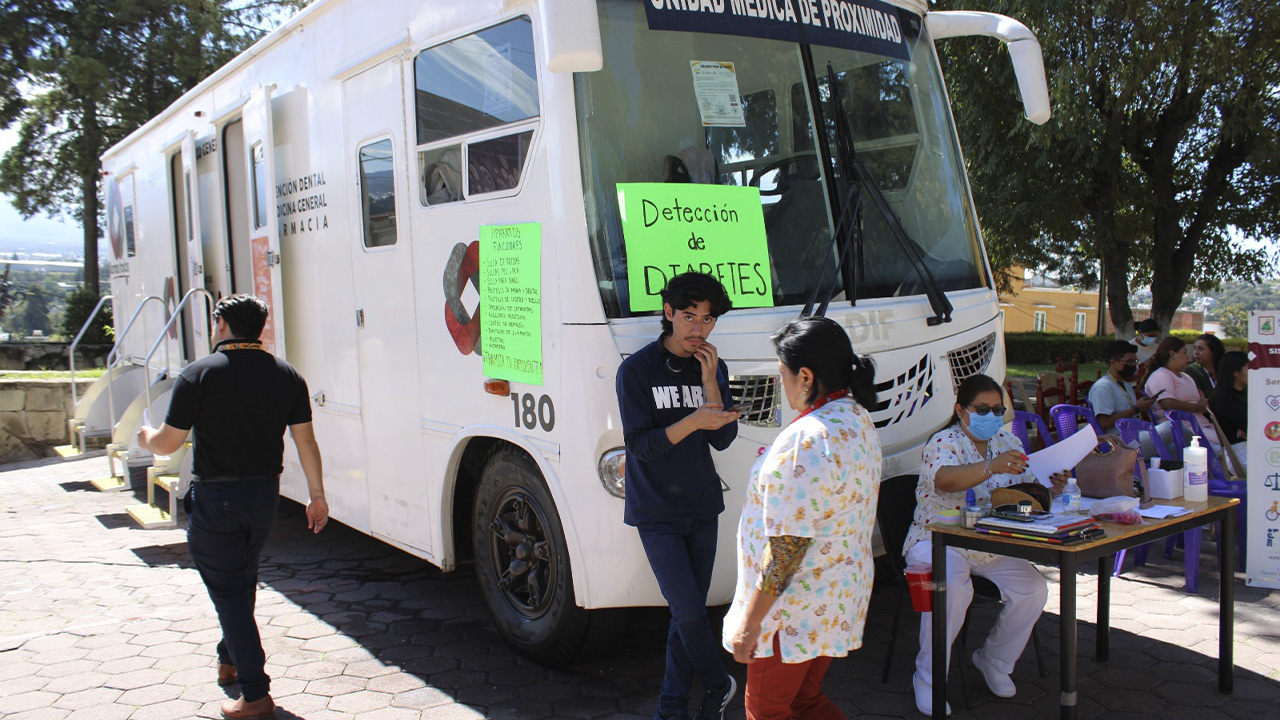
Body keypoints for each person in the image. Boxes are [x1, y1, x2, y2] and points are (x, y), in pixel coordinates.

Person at [137, 294, 327, 720]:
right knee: (240, 580)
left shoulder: (197, 374)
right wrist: (317, 496)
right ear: (260, 326)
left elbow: (167, 444)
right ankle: (229, 659)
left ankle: (255, 695)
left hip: (217, 500)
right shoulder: (288, 375)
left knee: (228, 591)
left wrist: (145, 438)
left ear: (220, 323)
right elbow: (306, 442)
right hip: (263, 498)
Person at [723, 316, 882, 720]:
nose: (782, 383)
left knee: (766, 709)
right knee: (804, 701)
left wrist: (750, 623)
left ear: (806, 377)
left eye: (782, 373)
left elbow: (787, 549)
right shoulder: (856, 418)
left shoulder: (807, 439)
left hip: (794, 608)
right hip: (831, 597)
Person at [904, 374, 1068, 717]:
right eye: (983, 409)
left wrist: (1051, 487)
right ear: (961, 410)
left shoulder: (1007, 442)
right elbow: (944, 479)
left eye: (998, 409)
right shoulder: (943, 441)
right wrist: (989, 467)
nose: (992, 415)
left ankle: (994, 660)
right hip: (937, 540)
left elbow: (1024, 494)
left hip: (989, 543)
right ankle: (928, 678)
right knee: (949, 589)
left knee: (1033, 589)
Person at [616, 272, 741, 720]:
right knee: (689, 614)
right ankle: (720, 683)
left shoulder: (712, 364)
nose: (698, 330)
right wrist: (693, 420)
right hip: (656, 511)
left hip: (703, 507)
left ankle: (671, 706)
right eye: (689, 317)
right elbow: (640, 447)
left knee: (685, 615)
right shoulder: (636, 370)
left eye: (707, 320)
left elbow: (724, 440)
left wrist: (710, 381)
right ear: (668, 313)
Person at [1141, 336, 1220, 448]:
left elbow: (1199, 398)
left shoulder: (1186, 376)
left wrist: (1204, 403)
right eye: (1184, 352)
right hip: (1182, 428)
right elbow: (1167, 404)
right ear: (1173, 354)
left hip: (1202, 425)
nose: (1188, 357)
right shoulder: (1161, 375)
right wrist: (1198, 407)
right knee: (1225, 448)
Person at [1211, 350, 1249, 471]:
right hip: (1238, 454)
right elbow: (1249, 425)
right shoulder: (1224, 398)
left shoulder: (1241, 394)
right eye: (1249, 368)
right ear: (1235, 372)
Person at [1185, 333, 1226, 401]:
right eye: (1195, 348)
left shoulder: (1224, 371)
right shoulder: (1191, 371)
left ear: (1213, 352)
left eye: (1201, 349)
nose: (1196, 352)